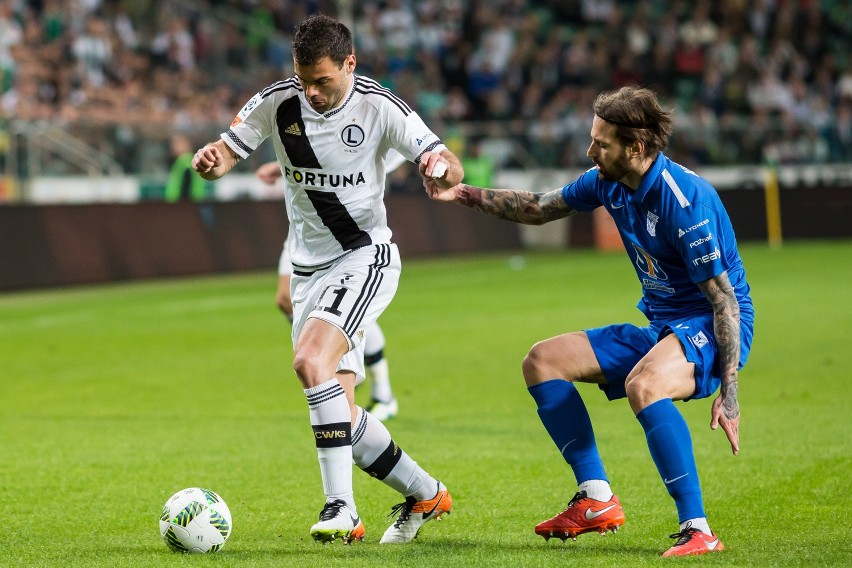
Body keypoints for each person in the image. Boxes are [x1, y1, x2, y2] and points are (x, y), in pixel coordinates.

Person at [425, 86, 753, 558]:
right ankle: (597, 498)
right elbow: (539, 207)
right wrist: (462, 193)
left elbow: (724, 302)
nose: (590, 151)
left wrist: (731, 394)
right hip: (664, 324)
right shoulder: (606, 181)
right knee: (542, 361)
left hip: (714, 324)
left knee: (645, 385)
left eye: (601, 143)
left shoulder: (685, 205)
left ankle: (697, 528)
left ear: (635, 148)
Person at [191, 14, 463, 545]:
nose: (312, 92)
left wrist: (438, 167)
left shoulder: (381, 107)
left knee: (308, 362)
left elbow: (443, 158)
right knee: (339, 412)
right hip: (308, 269)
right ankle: (426, 492)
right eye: (304, 79)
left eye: (324, 81)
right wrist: (211, 161)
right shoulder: (277, 101)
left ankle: (342, 508)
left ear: (349, 64)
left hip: (365, 256)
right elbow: (227, 150)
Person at [256, 160, 400, 422]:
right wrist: (281, 166)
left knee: (342, 313)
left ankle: (382, 393)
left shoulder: (372, 121)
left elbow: (385, 150)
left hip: (343, 228)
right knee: (285, 300)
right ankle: (335, 361)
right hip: (304, 226)